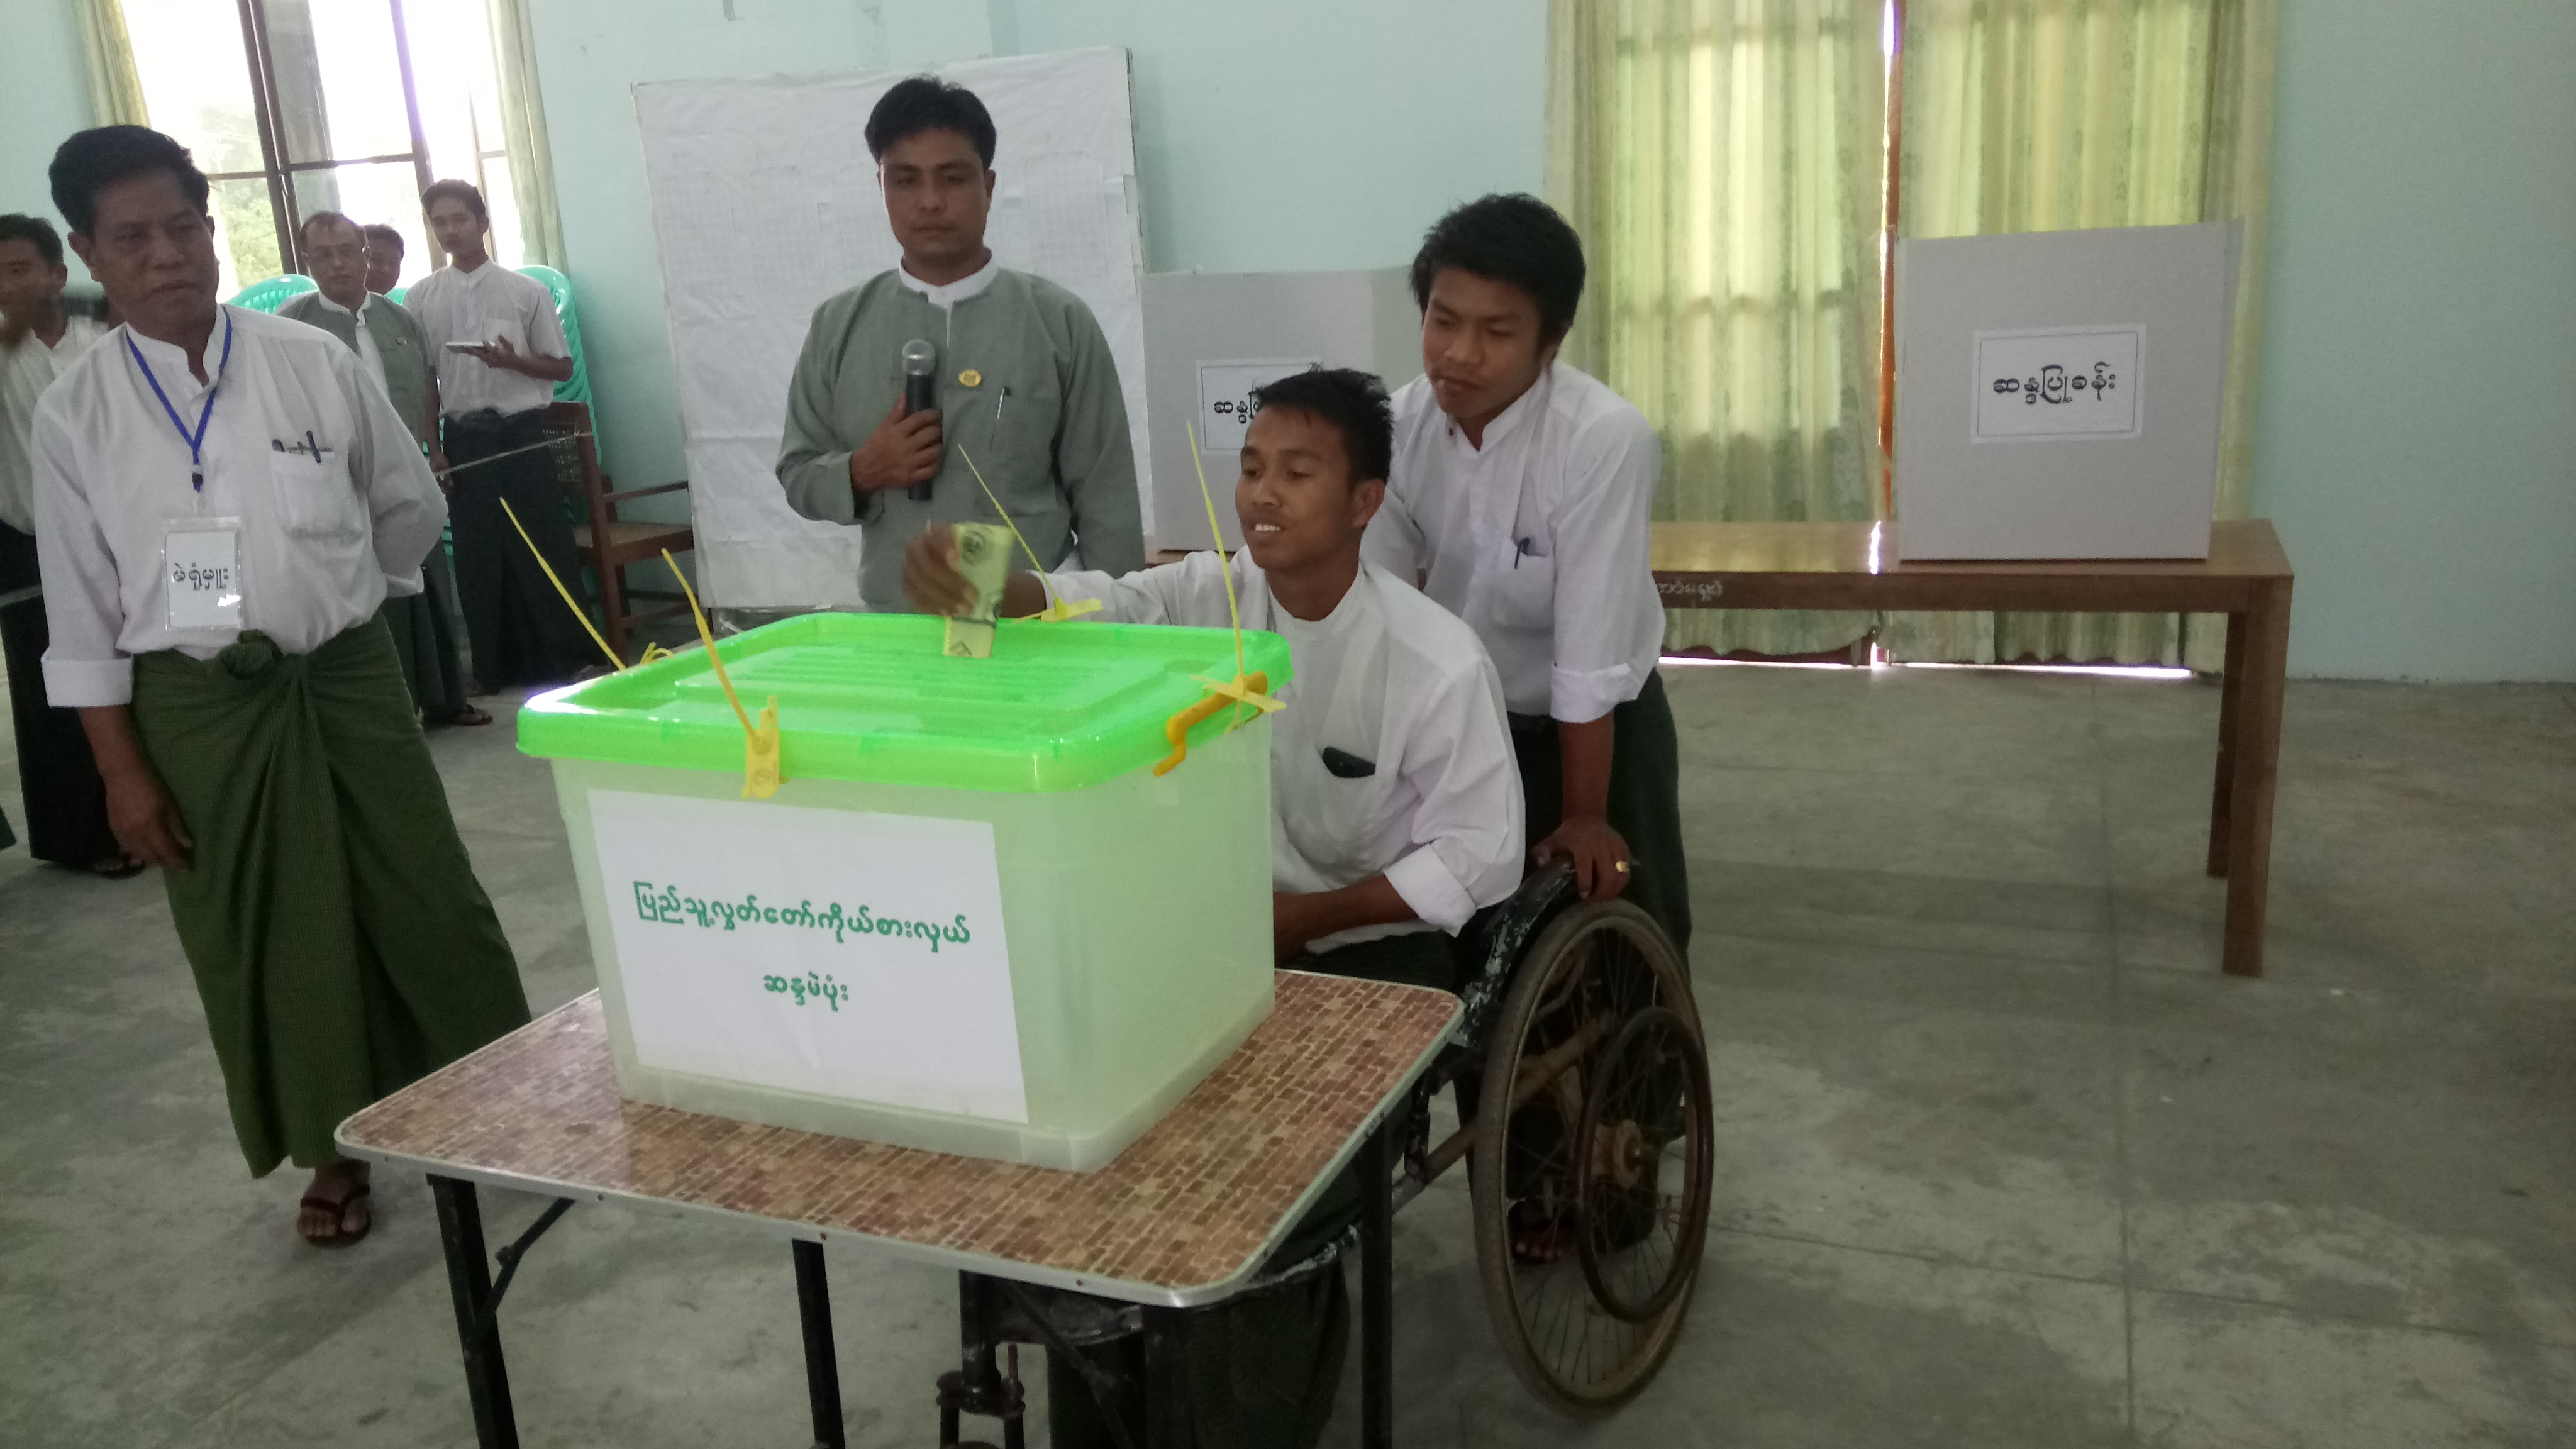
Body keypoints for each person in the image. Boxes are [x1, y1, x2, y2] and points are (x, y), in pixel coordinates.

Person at [908, 367, 1522, 1449]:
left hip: (1369, 959)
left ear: (1366, 499)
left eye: (1297, 470)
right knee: (1094, 1142)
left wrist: (1306, 922)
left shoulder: (1432, 658)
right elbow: (1097, 601)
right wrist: (994, 584)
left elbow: (1481, 854)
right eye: (1249, 468)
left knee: (1264, 1193)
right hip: (1217, 937)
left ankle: (1246, 1410)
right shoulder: (1205, 597)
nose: (1262, 494)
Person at [33, 126, 530, 1246]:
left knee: (428, 898)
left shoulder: (315, 362)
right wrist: (122, 772)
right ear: (90, 254)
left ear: (211, 232)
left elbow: (410, 506)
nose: (167, 255)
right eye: (132, 237)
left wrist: (349, 595)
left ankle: (502, 1103)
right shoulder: (78, 415)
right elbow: (81, 613)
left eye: (183, 226)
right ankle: (333, 1146)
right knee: (271, 932)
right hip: (202, 711)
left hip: (348, 680)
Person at [1365, 194, 1691, 954]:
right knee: (1478, 935)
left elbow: (1586, 655)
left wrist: (1584, 812)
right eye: (1443, 321)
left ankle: (1642, 1072)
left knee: (1625, 924)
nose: (1459, 354)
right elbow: (1379, 610)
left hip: (1604, 724)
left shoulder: (1602, 439)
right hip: (1470, 720)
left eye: (1496, 331)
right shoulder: (1396, 429)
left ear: (1553, 338)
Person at [782, 75, 1143, 611]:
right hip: (895, 621)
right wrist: (863, 469)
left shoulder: (1058, 321)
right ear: (879, 187)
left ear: (989, 187)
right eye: (905, 180)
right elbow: (798, 472)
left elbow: (1106, 497)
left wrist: (1121, 633)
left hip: (1032, 621)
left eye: (952, 179)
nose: (930, 202)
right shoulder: (839, 325)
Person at [280, 211, 489, 728]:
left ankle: (444, 697)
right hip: (333, 478)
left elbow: (425, 390)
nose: (336, 263)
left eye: (346, 251)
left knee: (426, 576)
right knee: (363, 588)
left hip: (406, 470)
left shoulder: (399, 321)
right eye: (322, 254)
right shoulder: (292, 324)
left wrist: (433, 451)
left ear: (363, 255)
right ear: (308, 261)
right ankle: (383, 708)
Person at [403, 179, 592, 688]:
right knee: (478, 551)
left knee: (542, 543)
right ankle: (493, 665)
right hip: (464, 437)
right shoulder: (421, 297)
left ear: (482, 223)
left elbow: (559, 366)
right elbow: (426, 380)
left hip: (521, 432)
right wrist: (435, 449)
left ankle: (564, 658)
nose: (450, 231)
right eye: (439, 222)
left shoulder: (524, 291)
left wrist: (512, 361)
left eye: (459, 219)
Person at [0, 212, 131, 875]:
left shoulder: (104, 336)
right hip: (28, 548)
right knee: (54, 695)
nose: (7, 285)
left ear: (57, 273)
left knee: (141, 680)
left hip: (127, 536)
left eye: (19, 269)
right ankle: (83, 836)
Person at [359, 222, 405, 296]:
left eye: (393, 263)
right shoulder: (335, 306)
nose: (385, 270)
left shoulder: (392, 308)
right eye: (376, 260)